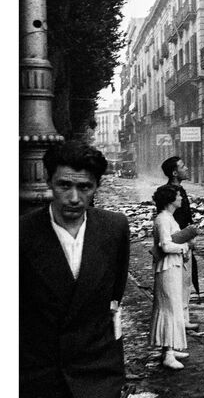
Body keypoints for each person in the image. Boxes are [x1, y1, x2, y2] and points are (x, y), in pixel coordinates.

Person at [20, 141, 130, 398]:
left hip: (98, 376)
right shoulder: (20, 234)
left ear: (96, 187)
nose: (73, 198)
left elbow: (114, 296)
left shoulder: (114, 228)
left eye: (84, 187)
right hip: (39, 378)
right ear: (49, 182)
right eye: (64, 185)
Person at [148, 185, 193, 370]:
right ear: (170, 200)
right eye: (178, 196)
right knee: (168, 308)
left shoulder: (168, 217)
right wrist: (184, 247)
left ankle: (172, 348)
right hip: (166, 268)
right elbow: (165, 246)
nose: (181, 199)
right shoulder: (163, 219)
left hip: (172, 266)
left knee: (173, 307)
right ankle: (167, 354)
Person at [161, 156, 200, 330]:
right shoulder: (170, 193)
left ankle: (183, 318)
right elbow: (170, 220)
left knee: (185, 282)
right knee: (179, 282)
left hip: (184, 240)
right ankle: (180, 320)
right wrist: (186, 238)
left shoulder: (178, 190)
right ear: (175, 172)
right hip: (178, 242)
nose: (187, 168)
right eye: (183, 167)